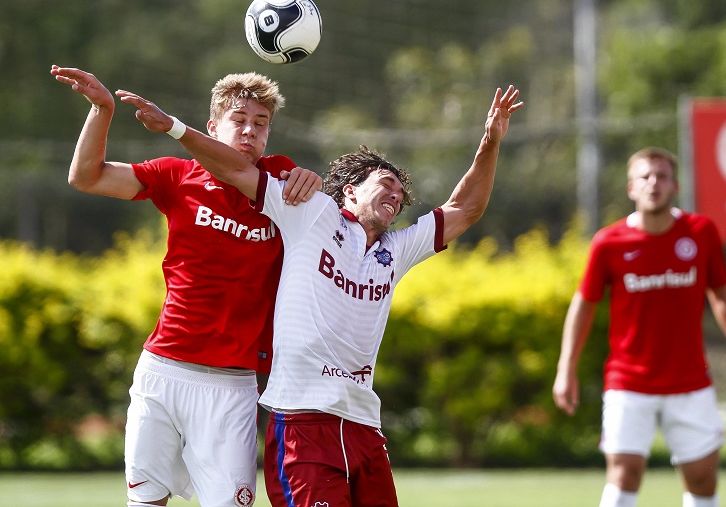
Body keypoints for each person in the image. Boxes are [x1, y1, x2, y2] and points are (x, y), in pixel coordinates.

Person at [114, 83, 523, 507]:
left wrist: (490, 142)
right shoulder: (311, 214)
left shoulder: (395, 250)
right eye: (385, 183)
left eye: (401, 193)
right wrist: (176, 129)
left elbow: (465, 210)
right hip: (301, 419)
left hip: (363, 424)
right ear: (349, 191)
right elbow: (235, 170)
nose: (396, 194)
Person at [51, 65, 322, 507]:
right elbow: (87, 177)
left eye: (261, 123)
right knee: (146, 502)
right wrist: (102, 110)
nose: (250, 131)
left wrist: (307, 178)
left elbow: (246, 173)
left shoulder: (279, 180)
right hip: (163, 371)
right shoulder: (177, 176)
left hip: (232, 386)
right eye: (239, 120)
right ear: (213, 125)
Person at [552, 147, 726, 507]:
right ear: (631, 188)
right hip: (629, 381)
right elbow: (583, 306)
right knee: (624, 472)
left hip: (690, 380)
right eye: (645, 177)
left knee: (702, 478)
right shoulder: (608, 242)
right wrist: (565, 368)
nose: (653, 183)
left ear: (674, 185)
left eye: (661, 176)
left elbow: (722, 295)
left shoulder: (701, 232)